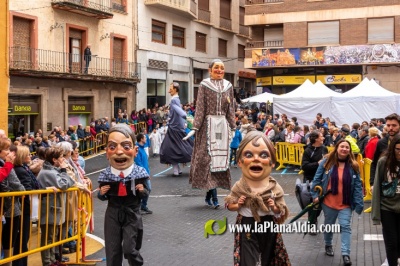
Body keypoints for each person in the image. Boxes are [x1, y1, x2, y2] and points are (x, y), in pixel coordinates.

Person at [225, 131, 290, 265]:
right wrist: (237, 205)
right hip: (247, 225)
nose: (256, 159)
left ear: (272, 163)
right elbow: (229, 205)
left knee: (269, 256)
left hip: (268, 225)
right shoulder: (239, 186)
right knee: (248, 259)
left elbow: (280, 211)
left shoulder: (274, 188)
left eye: (264, 155)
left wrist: (274, 207)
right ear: (240, 162)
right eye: (249, 155)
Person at [185, 59, 236, 208]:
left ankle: (210, 195)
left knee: (219, 162)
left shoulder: (229, 86)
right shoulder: (204, 85)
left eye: (222, 68)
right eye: (216, 68)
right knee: (207, 160)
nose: (219, 70)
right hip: (207, 127)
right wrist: (195, 128)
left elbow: (230, 108)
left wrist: (233, 127)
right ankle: (213, 197)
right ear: (210, 70)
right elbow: (200, 107)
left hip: (222, 127)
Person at [97, 124, 150, 266]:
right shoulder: (105, 175)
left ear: (135, 150)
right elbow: (102, 196)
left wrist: (142, 191)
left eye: (126, 147)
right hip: (113, 213)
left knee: (129, 249)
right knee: (112, 251)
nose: (119, 152)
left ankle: (137, 263)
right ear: (107, 152)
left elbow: (146, 193)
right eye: (112, 147)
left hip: (132, 212)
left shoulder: (140, 173)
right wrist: (101, 194)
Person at [311, 139, 364, 266]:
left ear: (350, 150)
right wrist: (315, 195)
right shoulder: (326, 162)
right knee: (329, 225)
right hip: (328, 202)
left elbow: (357, 186)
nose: (344, 149)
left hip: (345, 203)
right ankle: (328, 244)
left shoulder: (354, 166)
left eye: (347, 147)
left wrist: (359, 202)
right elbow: (316, 180)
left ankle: (346, 254)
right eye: (342, 146)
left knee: (345, 226)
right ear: (337, 148)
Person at [37, 147, 76, 266]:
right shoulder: (49, 172)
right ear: (54, 159)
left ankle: (53, 260)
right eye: (60, 157)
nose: (63, 159)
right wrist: (64, 170)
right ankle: (48, 262)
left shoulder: (52, 170)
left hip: (54, 209)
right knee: (48, 237)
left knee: (52, 236)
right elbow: (65, 184)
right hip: (49, 210)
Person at [372, 134, 400, 266]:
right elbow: (377, 187)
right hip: (387, 207)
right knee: (391, 242)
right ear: (392, 148)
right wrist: (375, 214)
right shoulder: (384, 161)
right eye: (398, 149)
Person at [160, 82, 194, 176]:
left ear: (175, 89)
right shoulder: (176, 99)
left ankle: (178, 168)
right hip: (176, 128)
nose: (169, 90)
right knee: (173, 148)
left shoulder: (174, 101)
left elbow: (181, 113)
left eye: (170, 88)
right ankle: (176, 169)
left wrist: (186, 117)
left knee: (170, 149)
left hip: (174, 129)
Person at [0, 141, 25, 266]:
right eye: (6, 150)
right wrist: (9, 164)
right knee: (7, 240)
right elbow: (2, 179)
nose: (8, 153)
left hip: (6, 209)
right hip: (8, 208)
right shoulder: (5, 165)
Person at [135, 133, 152, 214]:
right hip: (141, 175)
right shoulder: (138, 149)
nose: (146, 139)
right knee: (147, 189)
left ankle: (142, 205)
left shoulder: (142, 148)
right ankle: (141, 206)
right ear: (141, 139)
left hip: (145, 173)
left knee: (147, 189)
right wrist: (145, 174)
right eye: (145, 138)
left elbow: (145, 162)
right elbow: (139, 163)